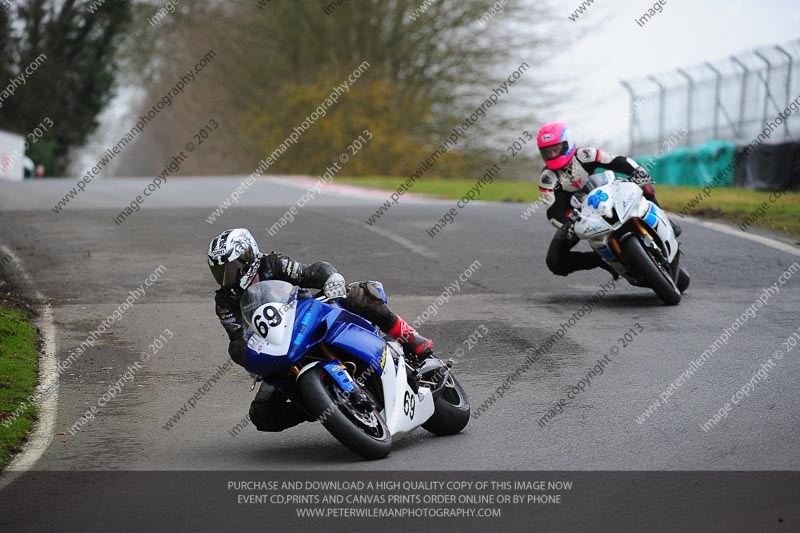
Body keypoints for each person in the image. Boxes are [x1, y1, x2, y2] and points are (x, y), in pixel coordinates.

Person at [208, 228, 433, 432]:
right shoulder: (225, 301)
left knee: (358, 293)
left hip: (310, 318)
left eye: (231, 268)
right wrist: (248, 357)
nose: (227, 277)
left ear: (248, 257)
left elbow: (308, 272)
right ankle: (324, 406)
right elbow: (236, 338)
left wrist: (330, 277)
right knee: (262, 415)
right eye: (220, 272)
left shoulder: (272, 264)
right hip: (279, 350)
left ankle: (409, 336)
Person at [536, 122, 681, 278]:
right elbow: (552, 211)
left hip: (608, 196)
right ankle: (603, 259)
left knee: (645, 186)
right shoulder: (547, 179)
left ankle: (665, 221)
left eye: (556, 149)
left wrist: (638, 172)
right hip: (579, 218)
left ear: (568, 144)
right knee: (555, 261)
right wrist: (567, 225)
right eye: (547, 152)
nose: (552, 155)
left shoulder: (586, 154)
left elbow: (618, 161)